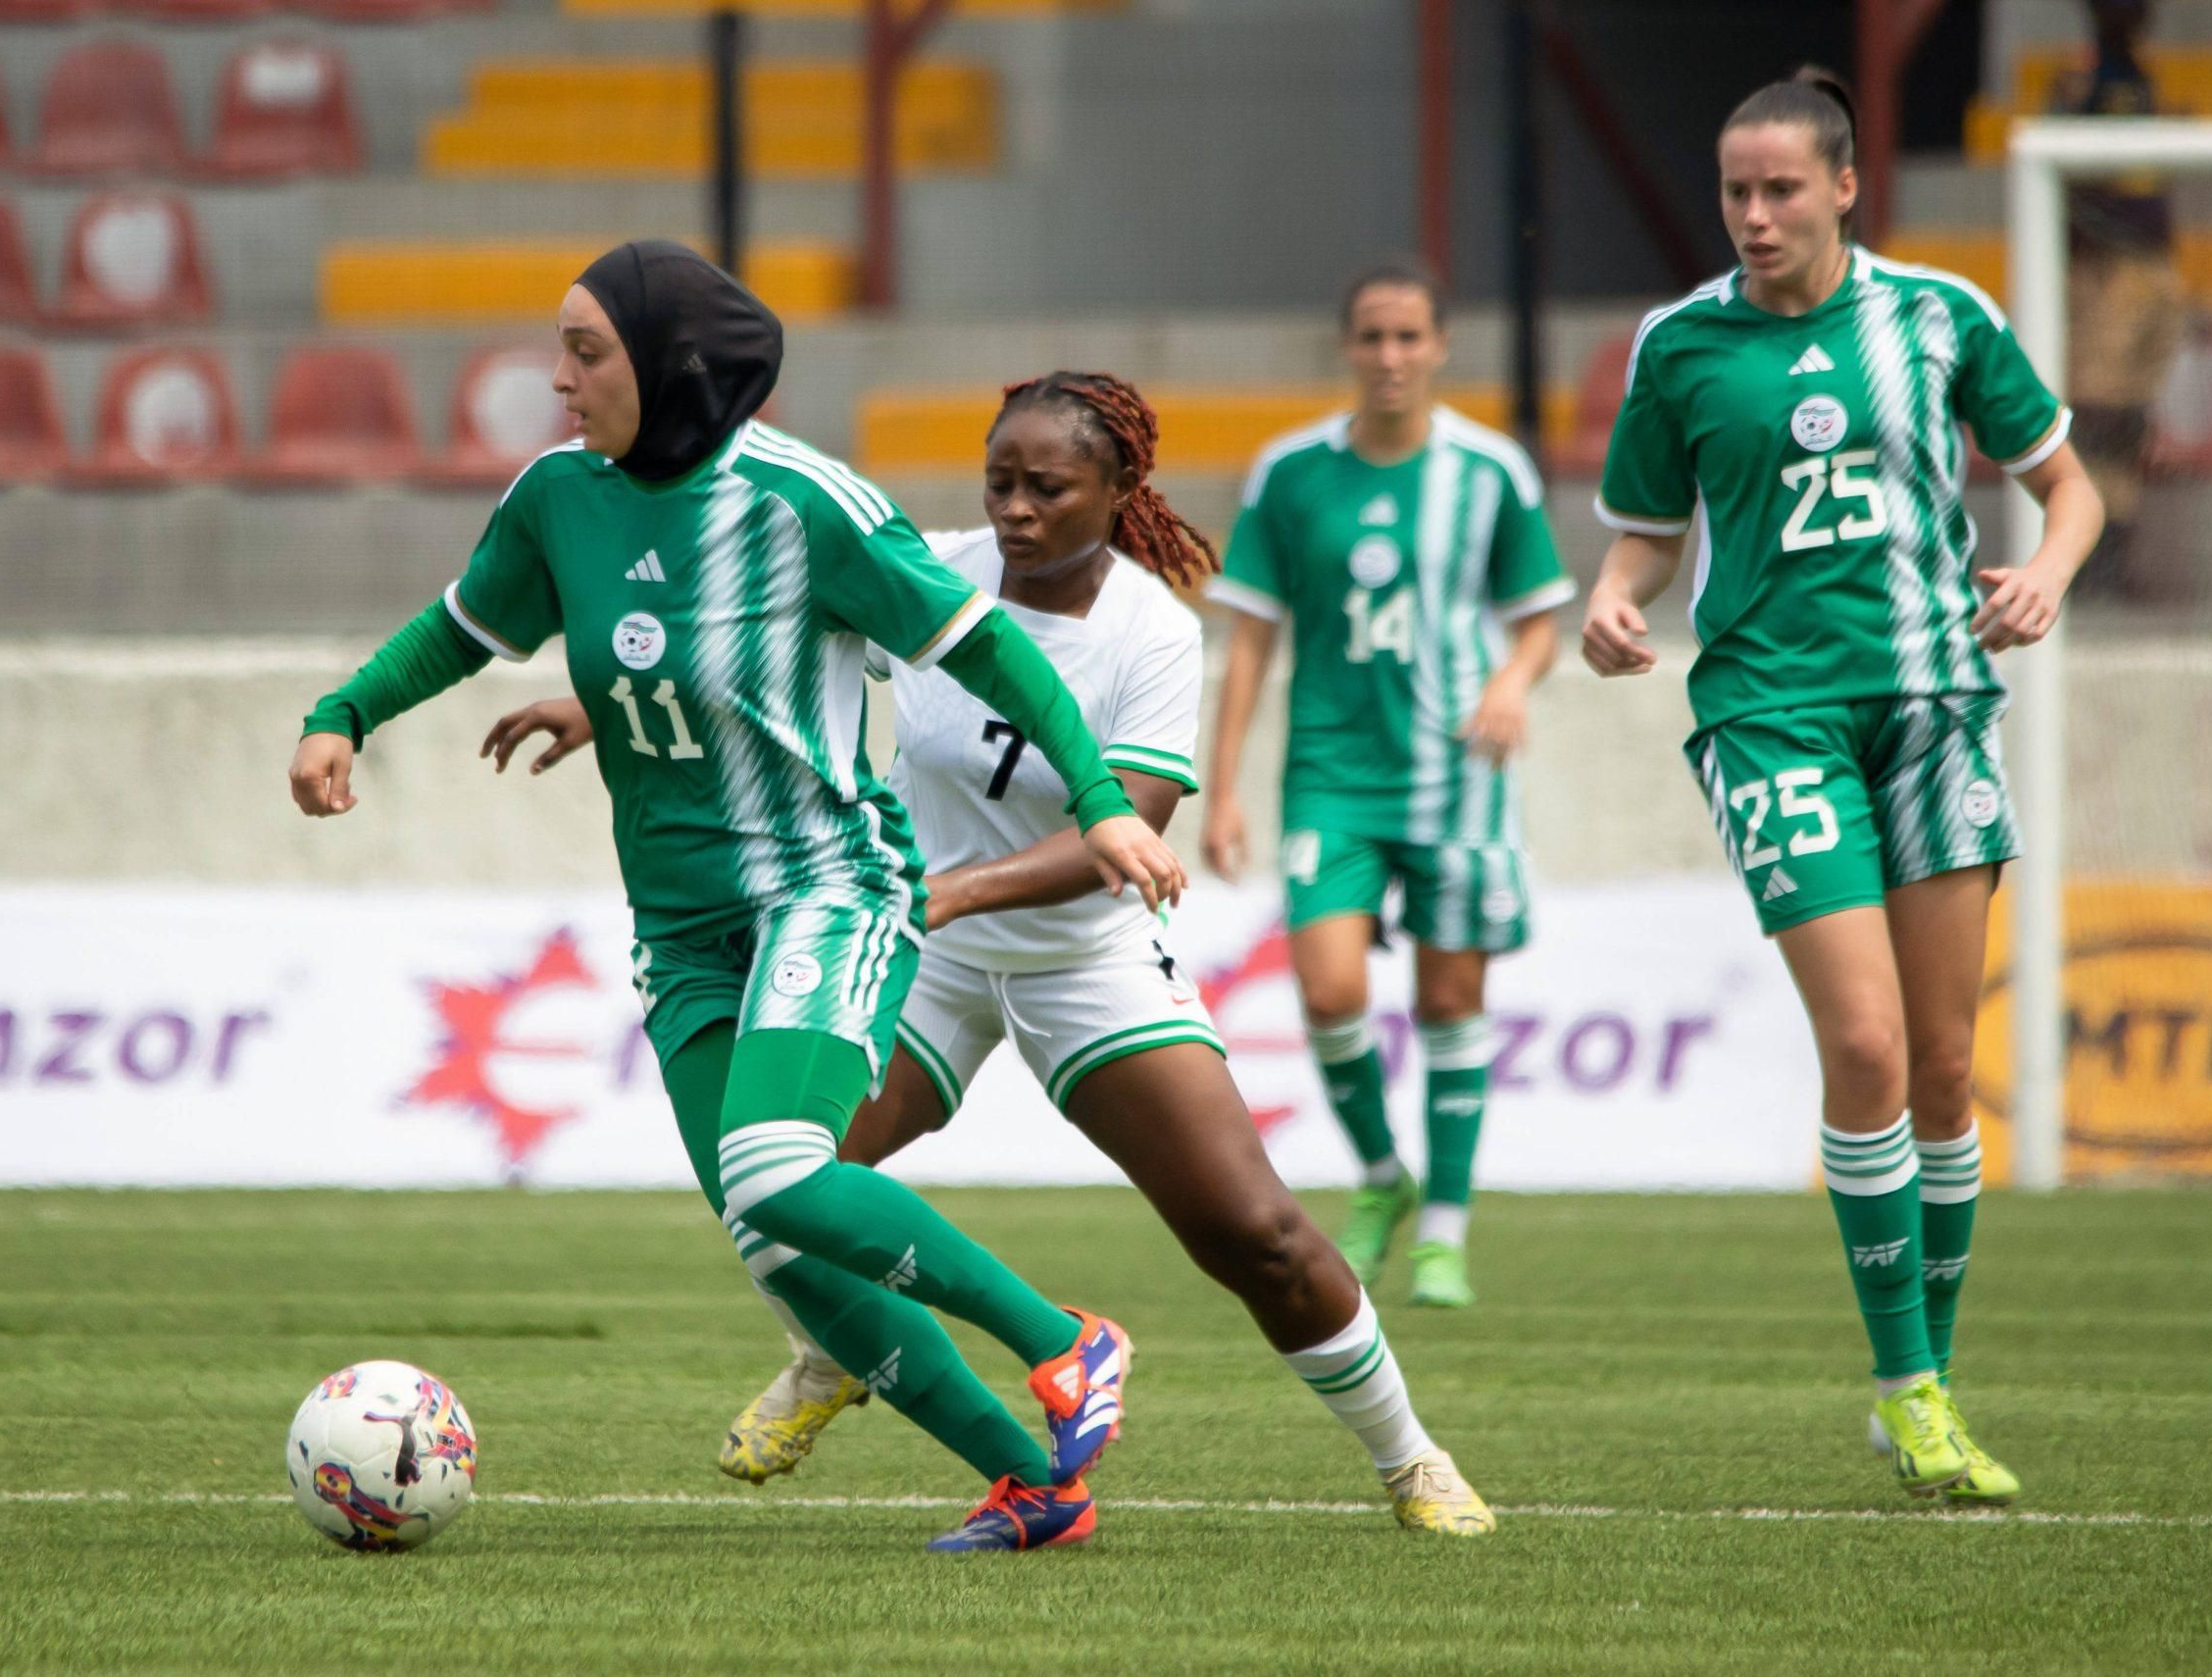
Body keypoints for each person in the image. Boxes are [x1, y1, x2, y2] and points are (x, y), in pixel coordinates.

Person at [288, 242, 1190, 1553]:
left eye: (586, 352)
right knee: (773, 1236)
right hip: (681, 923)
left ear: (670, 366)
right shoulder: (558, 496)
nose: (559, 379)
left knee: (779, 1168)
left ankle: (1067, 1339)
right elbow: (463, 627)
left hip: (827, 888)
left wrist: (1101, 798)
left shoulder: (802, 502)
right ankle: (1032, 1485)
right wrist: (345, 712)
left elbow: (989, 644)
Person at [483, 371, 1496, 1535]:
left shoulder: (1153, 633)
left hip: (1081, 959)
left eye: (1047, 488)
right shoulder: (935, 568)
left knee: (1253, 1233)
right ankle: (842, 1356)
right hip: (924, 951)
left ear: (1118, 490)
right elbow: (764, 645)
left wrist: (954, 893)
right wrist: (602, 702)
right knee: (775, 1179)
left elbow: (1131, 822)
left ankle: (1411, 1459)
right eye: (999, 481)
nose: (1015, 508)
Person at [1583, 71, 2105, 1504]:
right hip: (1771, 715)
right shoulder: (1681, 344)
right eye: (1735, 192)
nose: (1753, 216)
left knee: (1941, 1067)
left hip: (1934, 707)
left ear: (1845, 187)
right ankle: (1907, 1386)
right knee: (1865, 1045)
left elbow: (2071, 487)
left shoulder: (1939, 317)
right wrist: (1613, 601)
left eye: (1781, 189)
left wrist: (2045, 574)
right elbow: (1645, 532)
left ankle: (1928, 1368)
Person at [1203, 262, 1572, 1309]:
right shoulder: (1290, 473)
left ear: (1441, 346)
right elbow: (1249, 640)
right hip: (1330, 774)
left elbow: (1538, 621)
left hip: (1456, 773)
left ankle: (1445, 1228)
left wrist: (1510, 681)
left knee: (1451, 999)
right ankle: (1380, 1173)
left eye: (1409, 336)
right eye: (1371, 336)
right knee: (1328, 991)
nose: (1390, 356)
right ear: (1346, 346)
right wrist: (1220, 790)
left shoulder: (1490, 471)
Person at [2044, 0, 2181, 596]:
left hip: (2153, 265)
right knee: (2098, 411)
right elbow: (2062, 178)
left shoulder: (2145, 82)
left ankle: (2115, 547)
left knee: (2132, 415)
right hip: (2105, 269)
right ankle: (2091, 556)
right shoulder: (2080, 86)